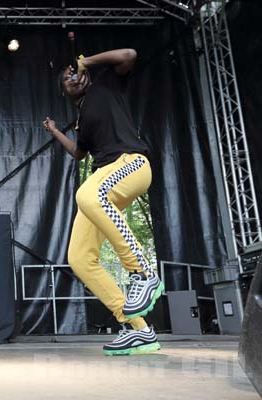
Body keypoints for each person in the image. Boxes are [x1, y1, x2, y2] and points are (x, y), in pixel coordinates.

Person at [42, 48, 164, 356]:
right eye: (67, 78)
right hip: (104, 178)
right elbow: (80, 153)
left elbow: (130, 54)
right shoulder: (83, 118)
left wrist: (88, 61)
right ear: (64, 92)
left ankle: (143, 273)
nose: (73, 77)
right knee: (79, 258)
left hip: (131, 163)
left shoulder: (105, 85)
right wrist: (56, 131)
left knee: (87, 194)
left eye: (75, 72)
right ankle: (138, 330)